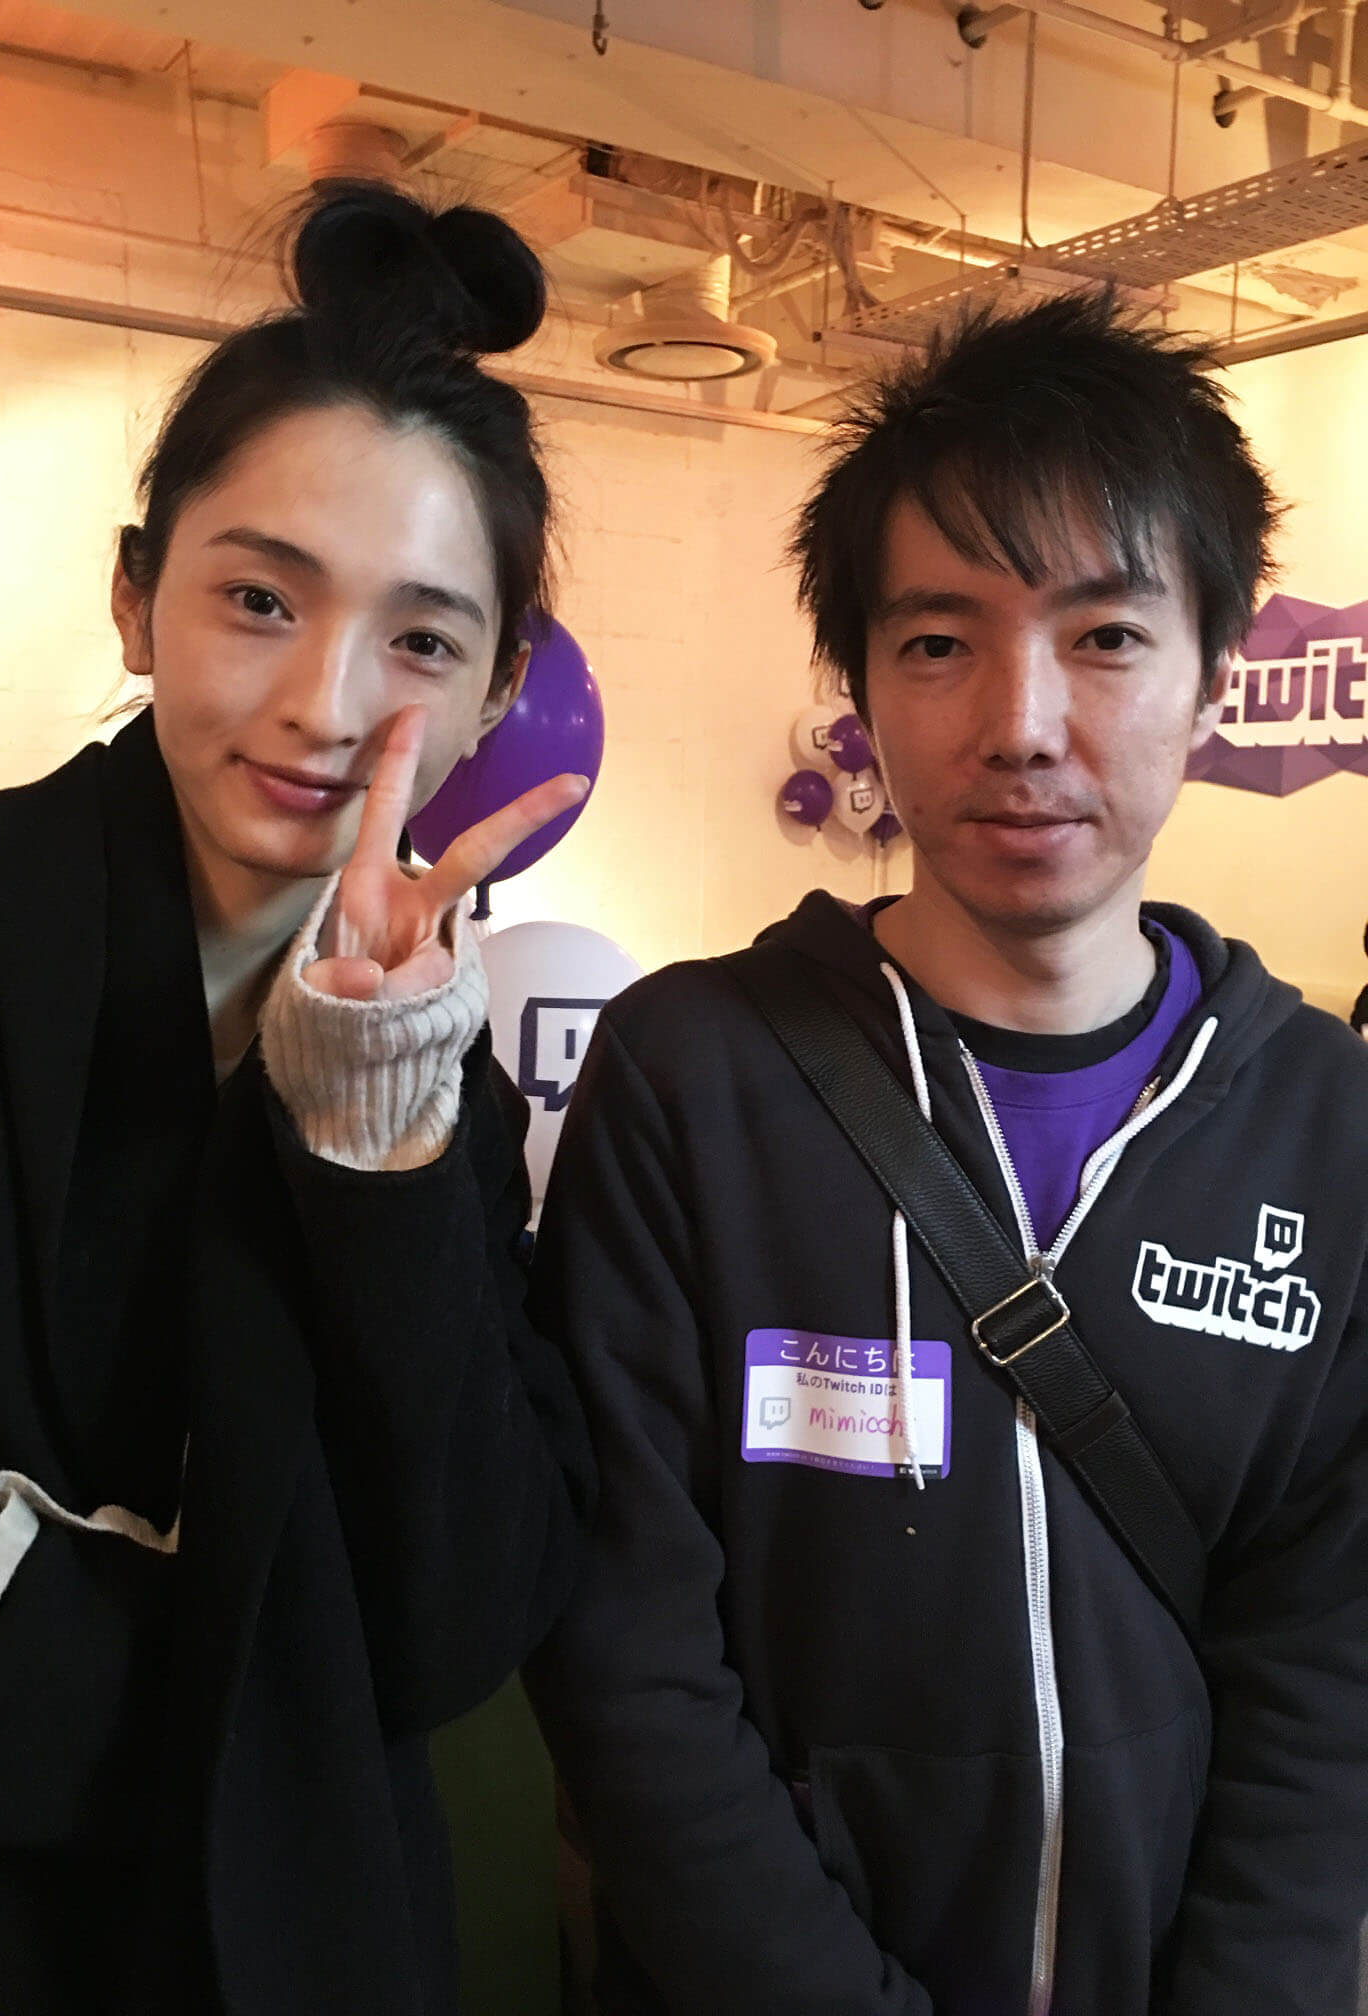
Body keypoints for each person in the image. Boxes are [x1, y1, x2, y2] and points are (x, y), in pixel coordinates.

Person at [526, 290, 1368, 2015]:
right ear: (858, 687)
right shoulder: (695, 1079)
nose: (1022, 722)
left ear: (1218, 674)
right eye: (937, 643)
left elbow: (1329, 1668)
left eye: (1106, 636)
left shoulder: (1324, 1120)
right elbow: (628, 1660)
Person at [0, 181, 595, 2015]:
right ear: (135, 598)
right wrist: (252, 1695)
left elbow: (463, 1617)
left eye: (422, 641)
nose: (326, 706)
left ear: (499, 687)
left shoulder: (439, 1076)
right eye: (259, 599)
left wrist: (372, 1133)